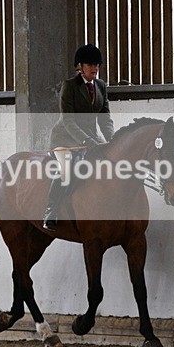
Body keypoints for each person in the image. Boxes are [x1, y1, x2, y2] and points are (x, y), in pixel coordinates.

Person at [42, 44, 115, 230]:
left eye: (97, 64)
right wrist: (85, 140)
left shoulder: (101, 86)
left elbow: (105, 118)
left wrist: (112, 140)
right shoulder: (69, 86)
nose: (95, 68)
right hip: (65, 139)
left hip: (91, 138)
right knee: (66, 170)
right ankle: (51, 210)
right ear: (80, 66)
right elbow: (69, 121)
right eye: (90, 64)